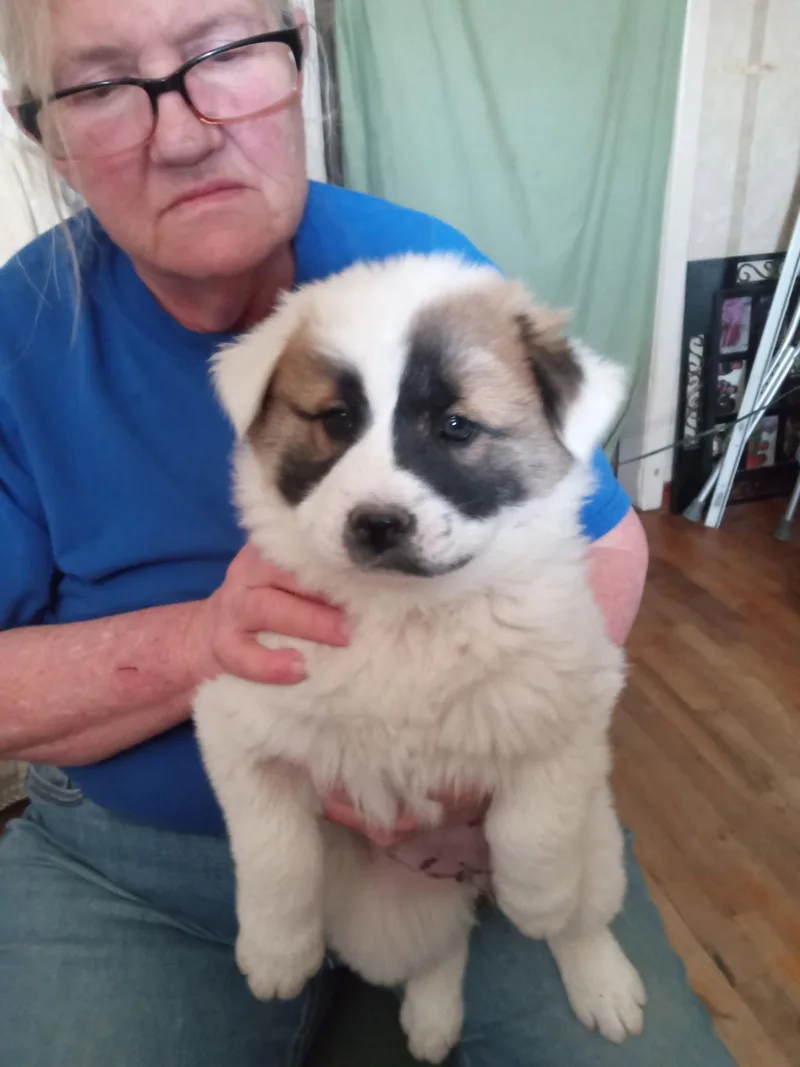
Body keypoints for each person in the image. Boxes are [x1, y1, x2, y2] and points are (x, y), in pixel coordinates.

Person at [0, 1, 735, 1065]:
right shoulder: (17, 340)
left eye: (223, 52)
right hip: (136, 860)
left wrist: (489, 788)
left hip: (464, 829)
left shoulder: (422, 273)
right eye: (104, 83)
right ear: (48, 137)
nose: (187, 128)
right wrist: (202, 643)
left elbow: (603, 544)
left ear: (297, 63)